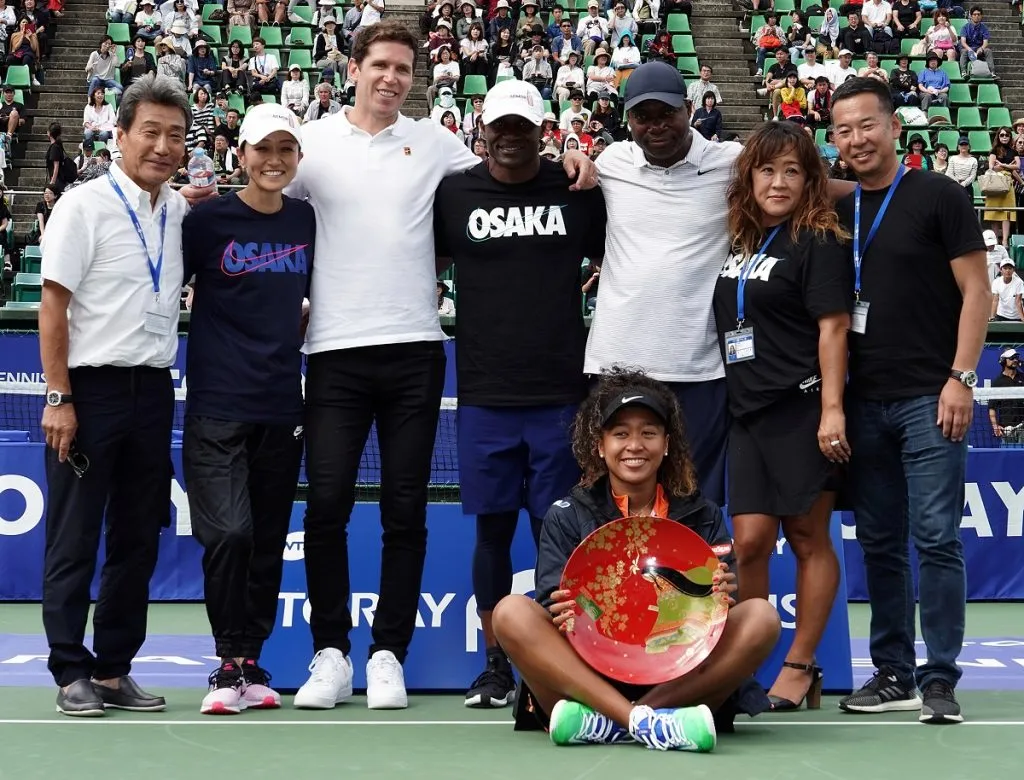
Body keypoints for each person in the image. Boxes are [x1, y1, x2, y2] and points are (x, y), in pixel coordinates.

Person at [281, 20, 596, 712]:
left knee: (404, 510)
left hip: (416, 350)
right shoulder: (313, 145)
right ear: (354, 69)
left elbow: (512, 165)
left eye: (404, 69)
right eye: (381, 66)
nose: (392, 78)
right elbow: (268, 199)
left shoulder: (436, 146)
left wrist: (576, 151)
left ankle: (388, 652)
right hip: (332, 351)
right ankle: (330, 653)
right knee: (328, 507)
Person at [432, 79, 607, 709]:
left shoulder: (577, 191)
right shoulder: (454, 194)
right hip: (482, 394)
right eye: (499, 127)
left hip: (561, 394)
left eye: (522, 128)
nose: (510, 138)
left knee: (554, 533)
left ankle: (556, 661)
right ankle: (496, 662)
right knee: (492, 535)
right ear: (483, 131)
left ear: (543, 131)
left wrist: (587, 159)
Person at [491, 370, 781, 749]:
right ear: (599, 445)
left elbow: (722, 606)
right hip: (589, 673)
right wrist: (563, 609)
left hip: (677, 672)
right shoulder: (567, 512)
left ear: (666, 445)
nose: (635, 445)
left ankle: (620, 721)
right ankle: (644, 723)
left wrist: (724, 594)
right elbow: (552, 600)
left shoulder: (702, 514)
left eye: (648, 433)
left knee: (761, 618)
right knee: (511, 612)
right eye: (620, 433)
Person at [830, 77, 990, 725]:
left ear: (894, 127)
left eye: (867, 125)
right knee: (879, 543)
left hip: (932, 396)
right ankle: (892, 670)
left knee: (936, 538)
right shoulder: (839, 212)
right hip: (863, 401)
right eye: (842, 130)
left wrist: (963, 377)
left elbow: (977, 292)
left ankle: (941, 678)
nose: (856, 139)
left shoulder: (940, 195)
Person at [37, 74, 191, 717]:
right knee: (74, 535)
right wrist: (57, 396)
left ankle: (112, 670)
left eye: (175, 136)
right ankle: (70, 668)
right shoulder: (83, 204)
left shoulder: (178, 209)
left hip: (154, 388)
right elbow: (53, 306)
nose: (161, 146)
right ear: (119, 134)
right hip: (90, 390)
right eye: (149, 132)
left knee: (137, 537)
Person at [713, 121, 852, 711]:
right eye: (767, 169)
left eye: (793, 170)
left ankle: (801, 665)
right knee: (747, 544)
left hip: (802, 406)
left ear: (810, 179)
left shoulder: (818, 239)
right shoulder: (740, 240)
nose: (778, 182)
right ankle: (748, 667)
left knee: (805, 535)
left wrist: (831, 409)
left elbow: (834, 327)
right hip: (747, 411)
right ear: (748, 177)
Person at [181, 104, 314, 716]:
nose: (274, 160)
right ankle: (225, 656)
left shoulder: (306, 221)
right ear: (242, 155)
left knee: (264, 540)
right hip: (217, 406)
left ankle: (249, 663)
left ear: (297, 159)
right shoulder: (204, 223)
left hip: (283, 404)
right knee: (229, 533)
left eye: (286, 149)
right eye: (263, 149)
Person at [584, 61, 742, 508]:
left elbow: (803, 182)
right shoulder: (611, 162)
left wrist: (892, 190)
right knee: (615, 504)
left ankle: (694, 582)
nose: (655, 126)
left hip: (700, 369)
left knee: (696, 501)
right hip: (616, 366)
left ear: (689, 109)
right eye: (642, 117)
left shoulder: (731, 162)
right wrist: (573, 156)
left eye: (666, 114)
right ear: (627, 119)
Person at [988, 349, 1024, 445]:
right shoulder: (998, 382)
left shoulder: (1023, 378)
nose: (1015, 360)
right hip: (1007, 430)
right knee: (1009, 457)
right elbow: (992, 408)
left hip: (1023, 427)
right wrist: (995, 427)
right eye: (1012, 358)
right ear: (1004, 361)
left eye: (1016, 358)